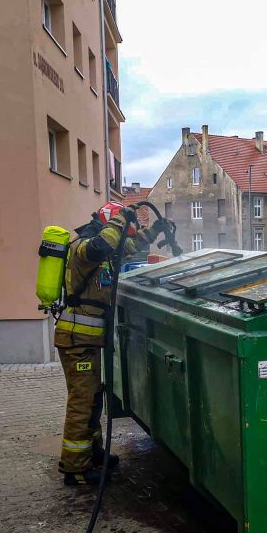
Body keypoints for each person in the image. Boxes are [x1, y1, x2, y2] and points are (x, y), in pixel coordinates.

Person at [55, 201, 167, 485]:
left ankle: (92, 454)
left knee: (92, 398)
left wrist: (154, 230)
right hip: (77, 340)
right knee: (83, 401)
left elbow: (129, 246)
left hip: (88, 340)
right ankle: (75, 468)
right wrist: (119, 220)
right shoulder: (82, 247)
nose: (123, 237)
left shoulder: (105, 248)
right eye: (120, 229)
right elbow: (101, 247)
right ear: (108, 224)